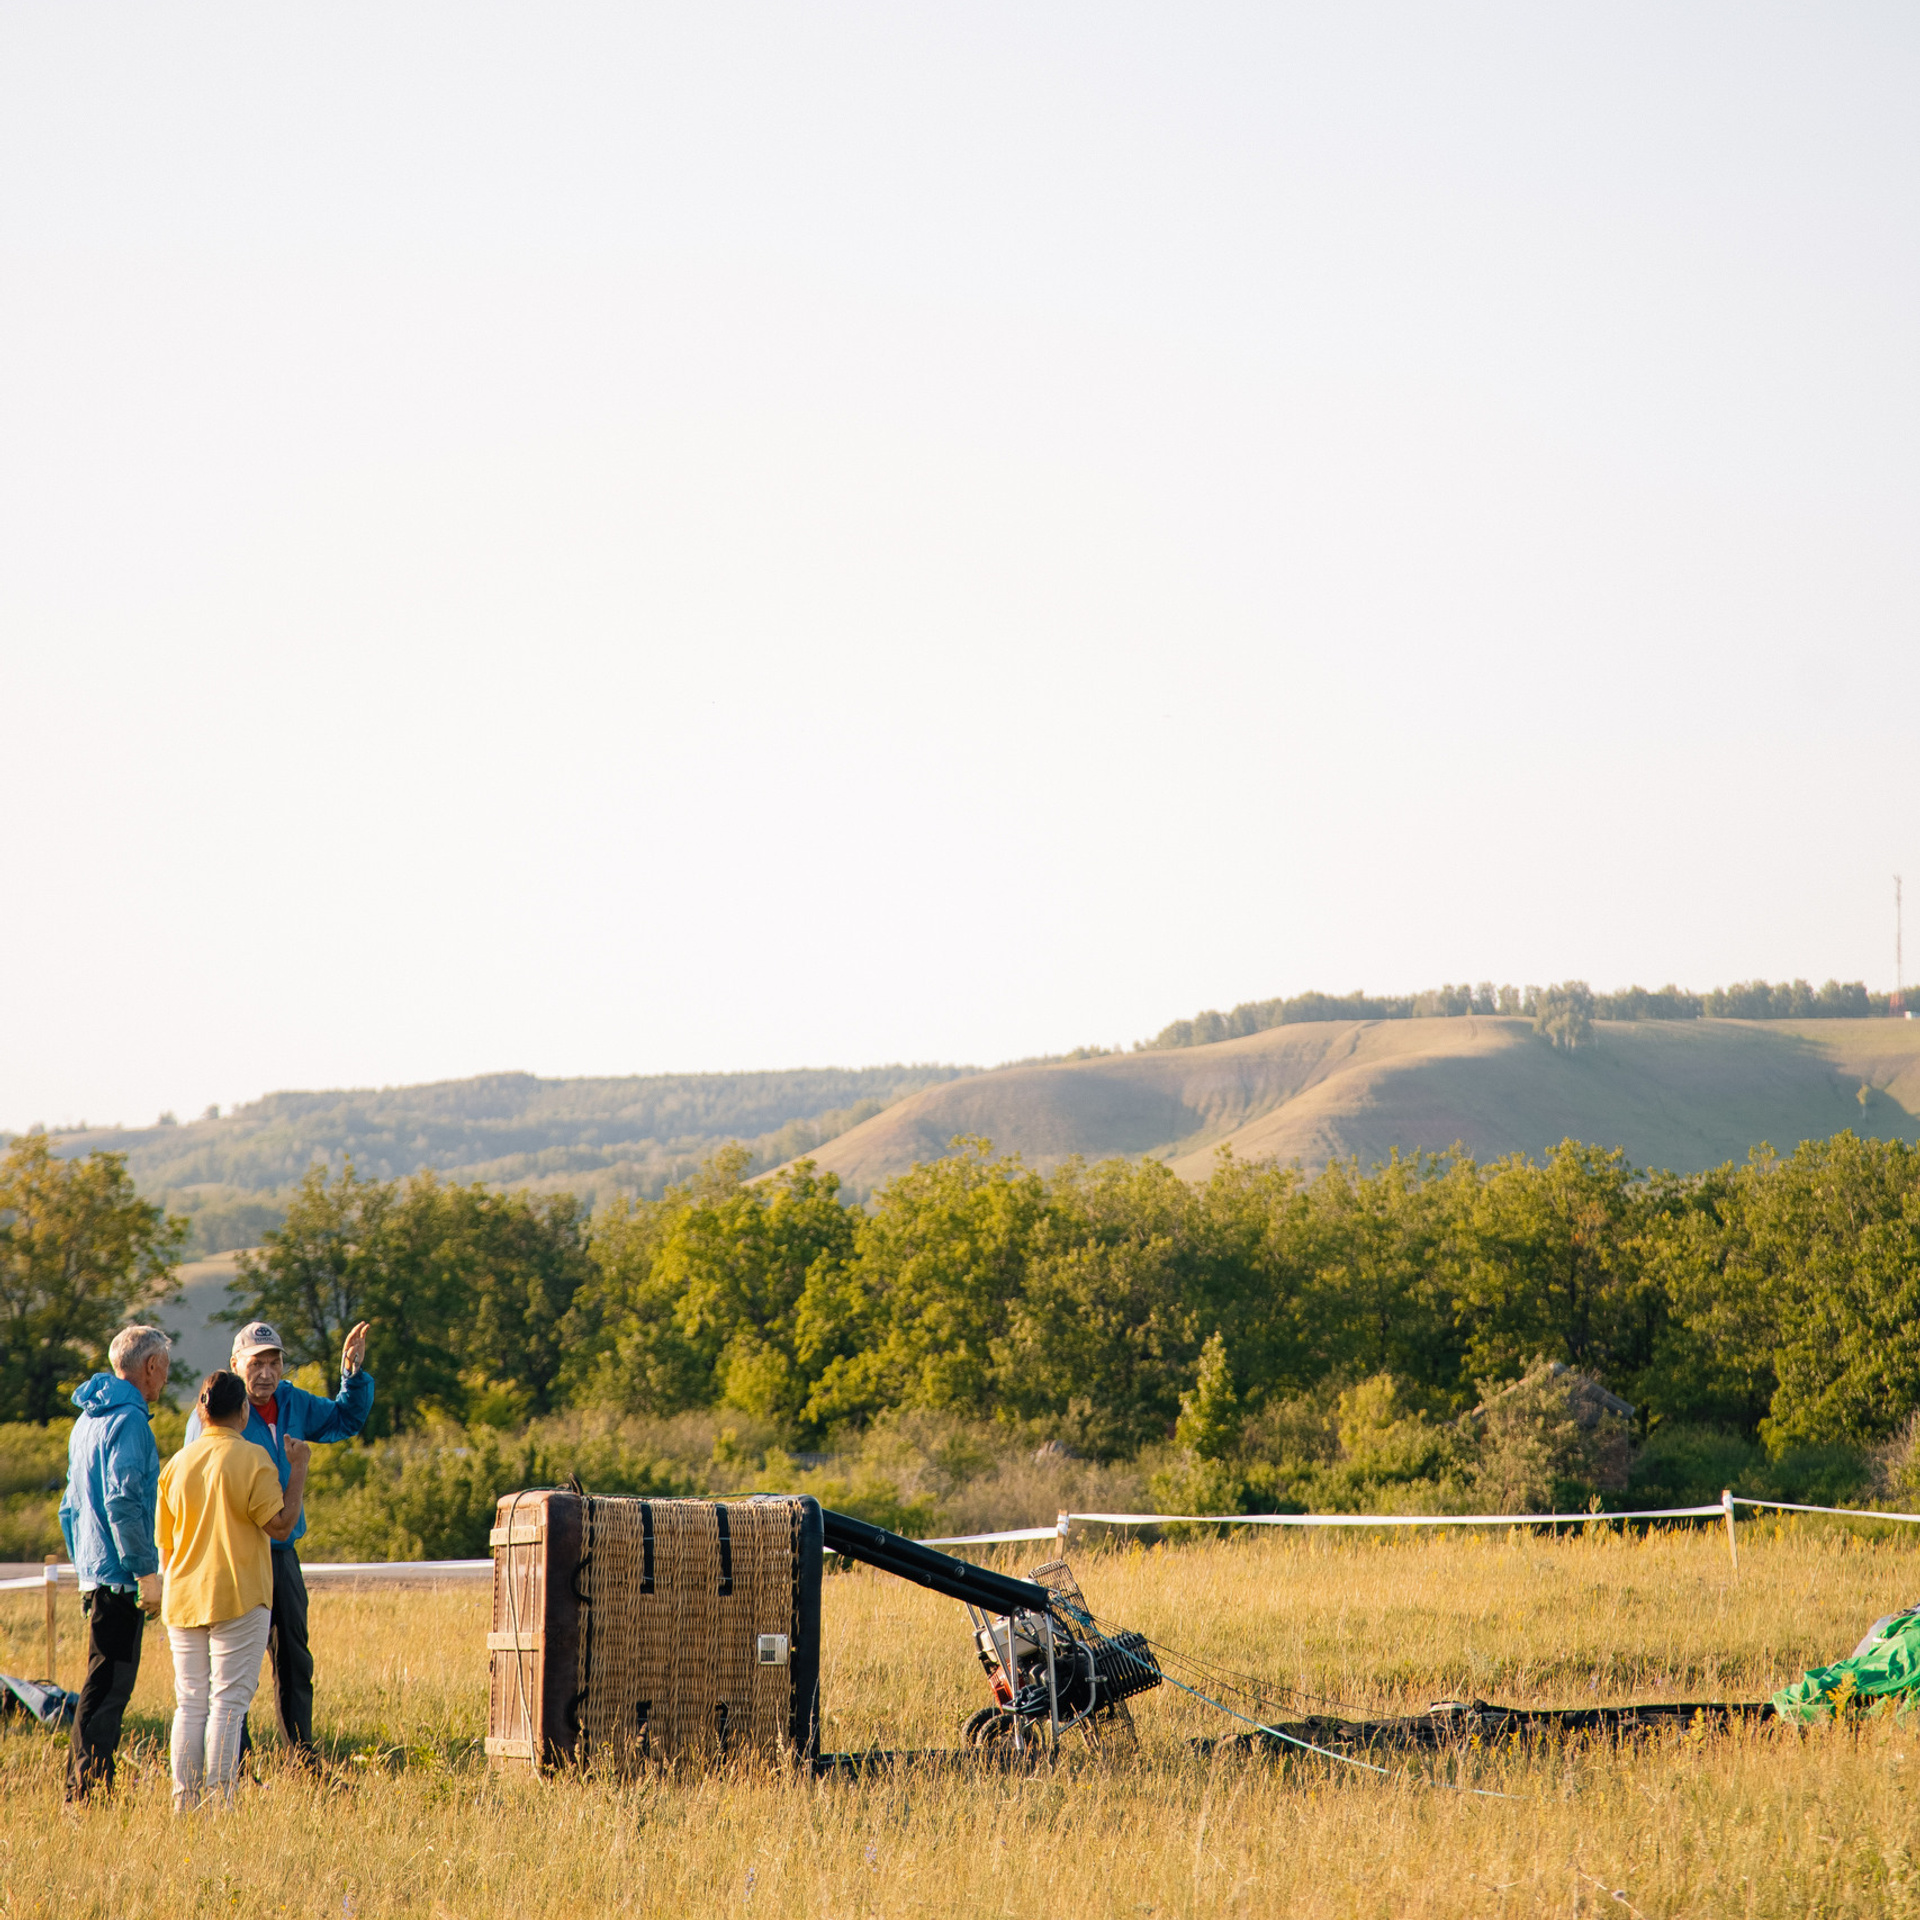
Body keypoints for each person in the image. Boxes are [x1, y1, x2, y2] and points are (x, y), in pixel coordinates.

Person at [182, 1316, 373, 1767]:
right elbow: (196, 1477)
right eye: (256, 1363)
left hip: (282, 1552)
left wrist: (351, 1374)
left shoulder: (292, 1402)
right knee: (235, 1661)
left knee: (294, 1656)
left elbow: (345, 1419)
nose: (266, 1373)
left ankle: (302, 1758)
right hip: (235, 1554)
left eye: (274, 1362)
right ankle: (239, 1762)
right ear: (235, 1364)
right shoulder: (212, 1415)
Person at [157, 1370, 310, 1811]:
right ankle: (220, 1800)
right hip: (240, 1595)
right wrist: (298, 1469)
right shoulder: (253, 1458)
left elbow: (165, 1549)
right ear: (243, 1411)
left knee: (190, 1703)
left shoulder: (176, 1465)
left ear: (201, 1412)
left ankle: (184, 1801)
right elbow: (279, 1525)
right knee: (228, 1704)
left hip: (184, 1597)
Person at [58, 1323, 171, 1801]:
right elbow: (124, 1503)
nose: (164, 1379)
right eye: (163, 1369)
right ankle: (87, 1790)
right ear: (149, 1367)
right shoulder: (129, 1422)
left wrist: (86, 1564)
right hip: (122, 1579)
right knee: (108, 1688)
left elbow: (69, 1506)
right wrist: (145, 1569)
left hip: (95, 1571)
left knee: (98, 1680)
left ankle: (83, 1783)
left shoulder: (87, 1421)